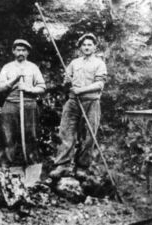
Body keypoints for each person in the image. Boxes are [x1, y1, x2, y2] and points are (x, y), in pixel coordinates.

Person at [50, 33, 107, 179]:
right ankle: (62, 165)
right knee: (66, 132)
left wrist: (81, 90)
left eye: (89, 45)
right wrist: (66, 80)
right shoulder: (74, 63)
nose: (86, 47)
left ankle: (82, 167)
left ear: (94, 47)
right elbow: (65, 81)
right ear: (80, 47)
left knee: (88, 136)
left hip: (91, 102)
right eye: (84, 45)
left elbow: (100, 84)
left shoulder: (99, 63)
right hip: (73, 102)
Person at [0, 39, 46, 167]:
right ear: (13, 51)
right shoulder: (7, 67)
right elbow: (0, 88)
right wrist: (15, 79)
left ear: (28, 52)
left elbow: (42, 87)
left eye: (24, 50)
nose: (21, 52)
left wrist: (28, 89)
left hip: (29, 103)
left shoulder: (33, 67)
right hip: (11, 103)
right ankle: (5, 166)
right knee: (7, 136)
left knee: (31, 136)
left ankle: (32, 165)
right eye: (18, 49)